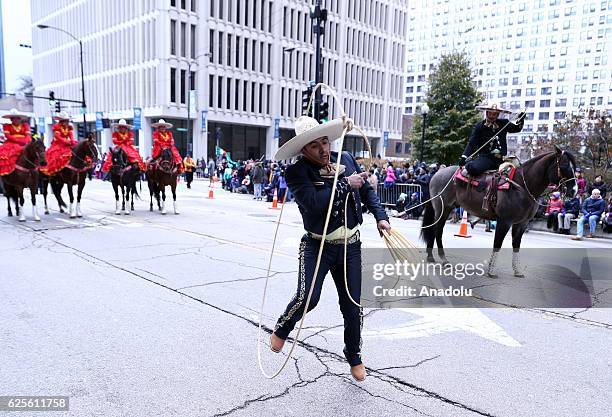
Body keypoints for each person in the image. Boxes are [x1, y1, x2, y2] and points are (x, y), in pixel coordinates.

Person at [268, 115, 391, 382]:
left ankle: (354, 354)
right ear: (304, 150)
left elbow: (368, 193)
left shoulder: (345, 158)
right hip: (318, 244)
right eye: (315, 146)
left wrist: (381, 217)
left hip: (351, 246)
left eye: (325, 141)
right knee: (307, 298)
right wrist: (347, 183)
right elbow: (314, 202)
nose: (323, 149)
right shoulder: (296, 172)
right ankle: (282, 327)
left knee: (353, 305)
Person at [459, 102, 525, 176]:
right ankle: (470, 164)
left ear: (498, 115)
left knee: (520, 170)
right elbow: (472, 143)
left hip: (500, 160)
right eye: (490, 113)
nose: (491, 116)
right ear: (486, 113)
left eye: (494, 114)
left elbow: (516, 129)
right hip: (485, 158)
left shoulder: (504, 123)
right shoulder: (480, 126)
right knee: (474, 168)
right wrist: (464, 156)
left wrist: (521, 120)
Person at [40, 112, 78, 176]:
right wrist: (67, 142)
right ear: (62, 121)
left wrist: (72, 141)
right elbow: (58, 137)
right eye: (66, 120)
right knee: (56, 156)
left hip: (67, 144)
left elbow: (71, 136)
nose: (68, 122)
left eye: (68, 120)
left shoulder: (69, 127)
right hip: (58, 144)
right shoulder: (56, 127)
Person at [0, 109, 31, 176]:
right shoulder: (7, 126)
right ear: (11, 119)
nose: (16, 120)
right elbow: (7, 136)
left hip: (24, 143)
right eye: (14, 119)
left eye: (17, 118)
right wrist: (19, 141)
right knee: (3, 155)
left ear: (20, 119)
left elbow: (28, 136)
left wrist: (25, 141)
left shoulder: (25, 125)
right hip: (11, 144)